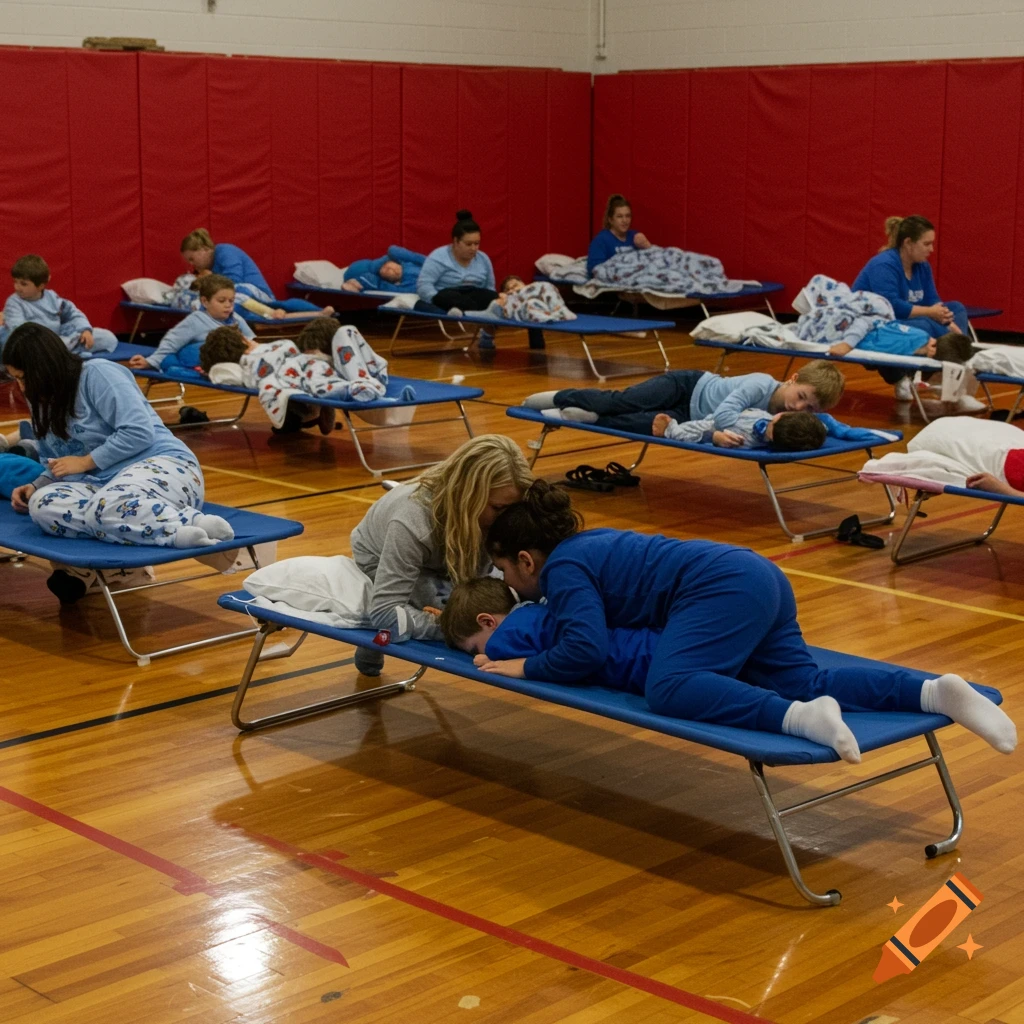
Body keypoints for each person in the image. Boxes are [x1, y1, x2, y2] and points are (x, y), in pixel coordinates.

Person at [468, 482, 1016, 761]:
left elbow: (584, 650)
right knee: (805, 677)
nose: (511, 586)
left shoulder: (563, 569)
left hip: (719, 586)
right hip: (755, 574)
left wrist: (524, 666)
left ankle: (799, 719)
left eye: (503, 570)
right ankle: (935, 691)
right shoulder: (587, 546)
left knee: (670, 685)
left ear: (526, 560)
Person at [4, 324, 234, 605]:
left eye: (25, 378)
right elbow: (59, 461)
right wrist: (36, 485)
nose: (22, 387)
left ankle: (185, 526)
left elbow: (138, 432)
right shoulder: (42, 400)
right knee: (42, 505)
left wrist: (86, 462)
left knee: (107, 504)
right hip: (102, 486)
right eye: (17, 379)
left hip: (163, 464)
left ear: (45, 367)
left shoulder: (98, 373)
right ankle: (129, 546)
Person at [348, 434, 533, 676]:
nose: (506, 519)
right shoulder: (412, 521)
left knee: (479, 609)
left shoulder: (490, 516)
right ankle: (372, 644)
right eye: (498, 508)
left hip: (440, 547)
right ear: (468, 495)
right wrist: (455, 627)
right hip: (377, 551)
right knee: (465, 617)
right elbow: (384, 612)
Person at [522, 361, 844, 441]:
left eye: (810, 409)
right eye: (801, 397)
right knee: (622, 402)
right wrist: (715, 434)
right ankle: (560, 397)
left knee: (647, 426)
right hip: (686, 387)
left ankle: (585, 417)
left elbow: (827, 424)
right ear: (793, 379)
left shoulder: (790, 416)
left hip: (686, 416)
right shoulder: (761, 384)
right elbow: (723, 414)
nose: (799, 409)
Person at [852, 216, 971, 401]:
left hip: (905, 321)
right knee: (924, 324)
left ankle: (945, 371)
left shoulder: (923, 266)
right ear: (908, 243)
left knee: (957, 308)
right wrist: (934, 316)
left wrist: (947, 319)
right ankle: (903, 378)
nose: (931, 249)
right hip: (874, 325)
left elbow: (933, 301)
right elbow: (891, 307)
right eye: (926, 244)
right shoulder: (883, 264)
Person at [416, 211, 544, 351]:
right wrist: (436, 300)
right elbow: (423, 286)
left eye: (477, 243)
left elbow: (489, 287)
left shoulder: (483, 259)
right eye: (469, 244)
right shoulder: (438, 257)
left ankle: (532, 340)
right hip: (448, 295)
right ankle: (473, 315)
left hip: (475, 295)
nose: (474, 248)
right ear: (456, 242)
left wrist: (499, 301)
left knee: (507, 301)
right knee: (446, 297)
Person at [179, 228, 324, 316]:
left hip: (256, 293)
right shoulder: (208, 267)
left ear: (205, 249)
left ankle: (318, 311)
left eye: (192, 258)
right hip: (241, 295)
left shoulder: (225, 251)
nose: (192, 264)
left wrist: (209, 279)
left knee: (237, 293)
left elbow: (233, 282)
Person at [128, 275, 255, 370]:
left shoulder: (236, 319)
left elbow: (251, 342)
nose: (228, 305)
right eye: (222, 301)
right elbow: (172, 341)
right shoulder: (196, 320)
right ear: (205, 301)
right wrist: (150, 361)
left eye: (231, 301)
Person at [0, 255, 118, 356]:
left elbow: (73, 314)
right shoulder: (14, 303)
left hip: (58, 339)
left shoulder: (52, 297)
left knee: (106, 337)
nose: (17, 287)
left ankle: (62, 351)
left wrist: (85, 330)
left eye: (23, 284)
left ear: (41, 286)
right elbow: (20, 331)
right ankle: (62, 351)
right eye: (15, 282)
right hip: (33, 344)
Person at [652, 408, 827, 451]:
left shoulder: (745, 440)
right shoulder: (767, 417)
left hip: (713, 427)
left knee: (693, 431)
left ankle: (669, 429)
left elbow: (717, 435)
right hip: (719, 414)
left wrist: (714, 437)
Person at [586, 194, 652, 278]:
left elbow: (654, 261)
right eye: (619, 216)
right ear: (610, 220)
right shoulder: (600, 241)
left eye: (627, 216)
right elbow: (594, 270)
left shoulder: (635, 236)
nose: (624, 220)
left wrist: (648, 246)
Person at [342, 246, 425, 294]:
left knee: (372, 281)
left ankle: (355, 283)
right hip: (376, 265)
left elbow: (396, 290)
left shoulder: (420, 287)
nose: (392, 269)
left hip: (382, 279)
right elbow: (393, 250)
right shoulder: (424, 264)